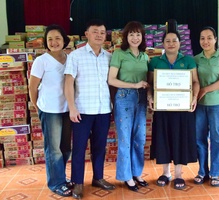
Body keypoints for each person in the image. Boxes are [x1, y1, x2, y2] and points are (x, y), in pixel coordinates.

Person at [64, 19, 115, 199]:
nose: (99, 35)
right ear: (86, 34)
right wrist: (72, 107)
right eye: (95, 31)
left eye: (102, 32)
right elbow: (68, 83)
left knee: (99, 147)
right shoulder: (75, 56)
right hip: (82, 111)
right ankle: (77, 182)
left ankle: (98, 178)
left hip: (103, 110)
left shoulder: (109, 57)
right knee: (79, 148)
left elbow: (112, 84)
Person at [147, 27, 200, 190]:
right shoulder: (155, 61)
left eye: (174, 40)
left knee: (180, 138)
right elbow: (150, 84)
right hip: (162, 109)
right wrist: (150, 96)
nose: (171, 44)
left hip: (183, 109)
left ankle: (178, 174)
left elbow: (195, 82)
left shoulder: (189, 60)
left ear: (180, 43)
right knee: (162, 137)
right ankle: (165, 173)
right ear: (162, 44)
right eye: (167, 41)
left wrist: (194, 98)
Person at [28, 24, 72, 197]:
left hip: (67, 109)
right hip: (50, 111)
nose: (54, 42)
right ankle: (56, 183)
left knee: (66, 148)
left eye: (57, 38)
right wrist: (37, 106)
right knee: (53, 149)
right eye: (50, 39)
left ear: (64, 40)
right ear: (46, 43)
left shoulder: (70, 58)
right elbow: (32, 87)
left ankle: (60, 177)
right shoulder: (41, 61)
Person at [108, 21, 149, 192]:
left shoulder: (145, 56)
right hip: (124, 98)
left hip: (142, 99)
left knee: (139, 138)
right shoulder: (119, 54)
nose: (135, 37)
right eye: (131, 34)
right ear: (126, 36)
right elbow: (111, 80)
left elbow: (151, 80)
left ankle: (137, 173)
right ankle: (126, 176)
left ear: (142, 36)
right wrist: (134, 85)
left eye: (138, 34)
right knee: (125, 138)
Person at [193, 26, 219, 187]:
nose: (206, 41)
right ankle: (202, 171)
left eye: (209, 37)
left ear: (215, 39)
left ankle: (215, 173)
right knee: (200, 139)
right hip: (199, 105)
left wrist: (205, 89)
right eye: (202, 38)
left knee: (216, 139)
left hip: (217, 104)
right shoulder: (195, 59)